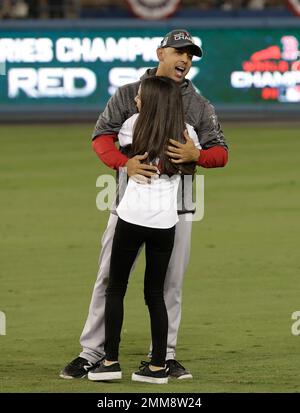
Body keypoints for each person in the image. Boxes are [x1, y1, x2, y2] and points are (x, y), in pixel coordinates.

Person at [60, 29, 228, 381]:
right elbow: (102, 137)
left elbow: (220, 152)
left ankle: (163, 356)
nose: (184, 59)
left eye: (190, 55)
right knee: (109, 278)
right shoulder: (127, 95)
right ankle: (93, 352)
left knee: (170, 285)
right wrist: (124, 164)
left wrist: (198, 155)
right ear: (160, 53)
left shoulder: (199, 105)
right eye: (178, 51)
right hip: (127, 206)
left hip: (178, 209)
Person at [88, 76, 200, 384]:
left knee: (115, 288)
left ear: (149, 101)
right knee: (155, 294)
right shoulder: (186, 132)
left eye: (140, 97)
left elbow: (109, 142)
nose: (135, 100)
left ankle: (109, 362)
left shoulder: (131, 126)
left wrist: (126, 162)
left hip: (131, 218)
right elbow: (196, 158)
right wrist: (191, 155)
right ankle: (156, 368)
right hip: (165, 223)